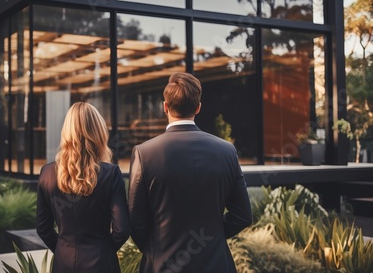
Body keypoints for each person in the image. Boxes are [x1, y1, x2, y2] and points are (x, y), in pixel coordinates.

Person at [128, 72, 252, 273]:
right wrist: (211, 237)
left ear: (165, 107)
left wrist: (156, 249)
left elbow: (136, 221)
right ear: (198, 108)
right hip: (216, 264)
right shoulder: (226, 151)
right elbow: (242, 216)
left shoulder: (144, 153)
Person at [36, 102, 130, 273]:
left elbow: (43, 228)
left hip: (63, 263)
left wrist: (64, 249)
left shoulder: (47, 173)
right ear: (98, 132)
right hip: (101, 263)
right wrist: (104, 251)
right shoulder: (111, 173)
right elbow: (122, 230)